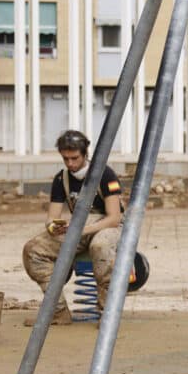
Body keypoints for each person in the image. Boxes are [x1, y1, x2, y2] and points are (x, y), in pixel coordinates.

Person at [22, 130, 123, 325]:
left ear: (85, 154)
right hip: (78, 227)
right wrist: (53, 227)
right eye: (65, 158)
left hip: (106, 226)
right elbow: (52, 216)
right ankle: (58, 311)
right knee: (33, 250)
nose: (70, 164)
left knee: (100, 247)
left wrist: (79, 231)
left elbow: (114, 218)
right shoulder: (62, 179)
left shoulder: (105, 174)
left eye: (74, 158)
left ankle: (108, 314)